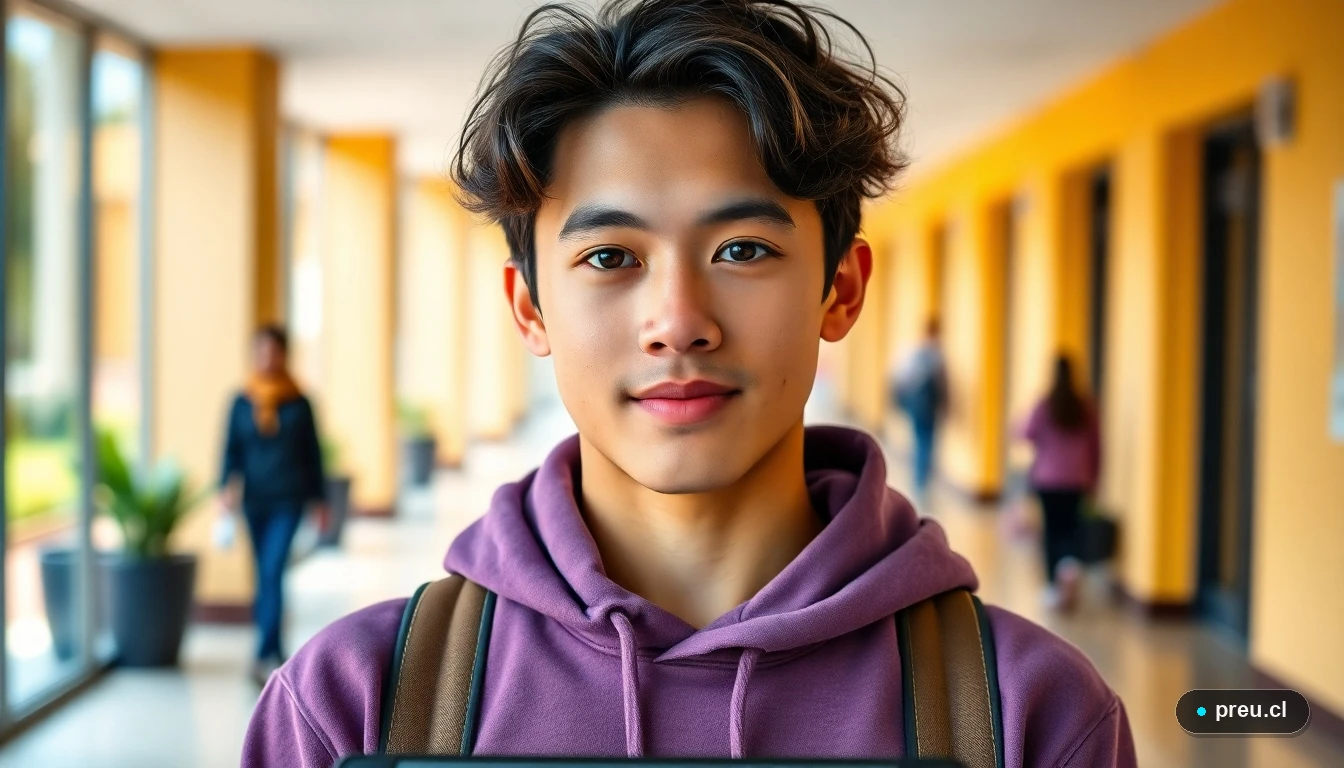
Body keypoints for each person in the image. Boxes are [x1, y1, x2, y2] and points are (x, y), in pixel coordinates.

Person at [243, 1, 1134, 765]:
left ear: (841, 289)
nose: (678, 320)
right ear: (530, 308)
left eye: (742, 249)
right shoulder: (351, 708)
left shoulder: (1032, 718)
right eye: (610, 257)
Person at [219, 324, 327, 686]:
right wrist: (225, 488)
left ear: (284, 355)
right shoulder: (241, 401)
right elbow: (231, 450)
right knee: (264, 574)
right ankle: (276, 648)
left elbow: (313, 453)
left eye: (273, 351)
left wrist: (320, 500)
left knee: (272, 569)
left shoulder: (299, 402)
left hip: (289, 499)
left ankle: (262, 652)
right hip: (254, 501)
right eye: (260, 351)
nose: (267, 358)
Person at [1018, 355, 1102, 612]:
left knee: (1051, 532)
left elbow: (1025, 433)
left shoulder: (1045, 405)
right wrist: (1094, 478)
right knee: (1070, 529)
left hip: (1048, 479)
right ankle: (1069, 568)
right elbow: (1097, 446)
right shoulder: (1085, 407)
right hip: (1077, 479)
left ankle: (1053, 586)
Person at [892, 317, 948, 503]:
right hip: (930, 408)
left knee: (918, 441)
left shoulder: (914, 352)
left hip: (915, 407)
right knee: (927, 443)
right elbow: (942, 385)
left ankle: (918, 481)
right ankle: (922, 482)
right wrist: (945, 405)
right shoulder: (936, 355)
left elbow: (902, 378)